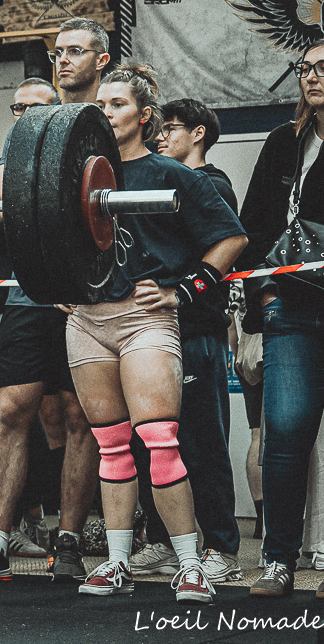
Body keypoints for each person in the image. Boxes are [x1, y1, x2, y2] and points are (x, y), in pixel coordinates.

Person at [65, 63, 245, 603]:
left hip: (145, 319)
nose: (105, 112)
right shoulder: (75, 177)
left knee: (160, 440)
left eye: (117, 104)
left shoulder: (174, 175)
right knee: (112, 446)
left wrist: (183, 291)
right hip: (88, 322)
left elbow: (231, 239)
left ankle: (190, 565)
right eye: (101, 104)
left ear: (144, 117)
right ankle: (117, 562)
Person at [0, 18, 109, 584]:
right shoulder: (24, 142)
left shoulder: (103, 129)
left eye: (75, 51)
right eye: (57, 52)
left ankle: (67, 540)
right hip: (26, 297)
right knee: (12, 412)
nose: (63, 60)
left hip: (86, 302)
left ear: (101, 59)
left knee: (80, 418)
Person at [126, 98, 242, 583]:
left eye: (170, 129)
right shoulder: (150, 180)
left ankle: (222, 548)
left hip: (195, 332)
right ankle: (165, 542)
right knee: (150, 442)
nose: (160, 136)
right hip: (144, 332)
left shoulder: (209, 184)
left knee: (201, 442)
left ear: (198, 133)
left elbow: (230, 244)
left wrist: (184, 291)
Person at [237, 39, 324, 597]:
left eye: (323, 68)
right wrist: (260, 306)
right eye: (305, 68)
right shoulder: (285, 142)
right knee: (286, 433)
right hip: (291, 307)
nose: (311, 76)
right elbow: (253, 229)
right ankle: (278, 560)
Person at [0, 78, 61, 556]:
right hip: (1, 304)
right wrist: (16, 212)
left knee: (62, 417)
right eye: (17, 107)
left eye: (36, 108)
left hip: (63, 302)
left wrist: (1, 216)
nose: (23, 116)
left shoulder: (67, 164)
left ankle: (50, 522)